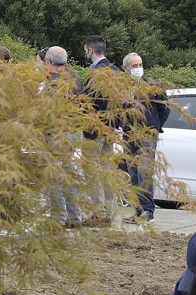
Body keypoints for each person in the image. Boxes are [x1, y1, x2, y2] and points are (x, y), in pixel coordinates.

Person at [120, 52, 170, 224]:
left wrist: (154, 127)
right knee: (133, 173)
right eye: (134, 66)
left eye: (140, 65)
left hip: (147, 135)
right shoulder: (121, 88)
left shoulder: (152, 86)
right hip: (129, 135)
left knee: (144, 171)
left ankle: (148, 210)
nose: (138, 68)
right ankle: (137, 209)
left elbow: (165, 109)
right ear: (126, 69)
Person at [81, 35, 122, 222]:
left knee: (92, 171)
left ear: (90, 50)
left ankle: (96, 212)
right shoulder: (116, 71)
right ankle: (111, 212)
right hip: (110, 129)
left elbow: (91, 103)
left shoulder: (96, 73)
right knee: (107, 171)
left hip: (94, 129)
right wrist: (115, 126)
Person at [42, 46, 84, 228]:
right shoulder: (76, 79)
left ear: (49, 62)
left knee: (54, 176)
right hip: (73, 133)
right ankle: (75, 216)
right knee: (68, 174)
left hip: (56, 134)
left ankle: (57, 218)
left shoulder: (53, 83)